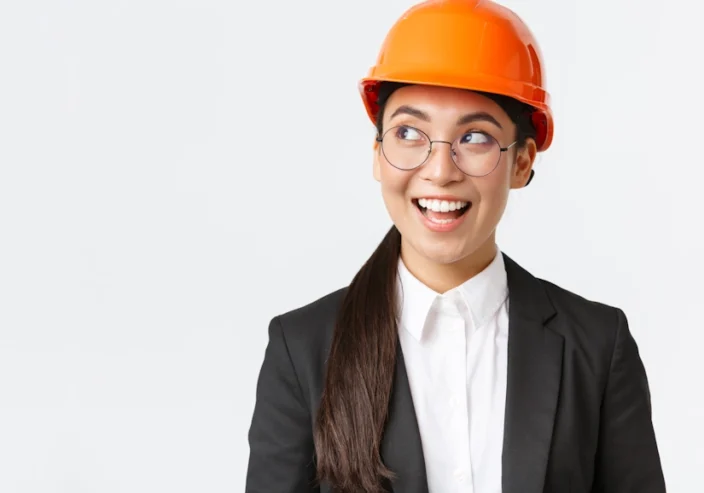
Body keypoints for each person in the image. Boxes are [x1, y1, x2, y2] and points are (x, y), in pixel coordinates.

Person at [244, 1, 666, 492]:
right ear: (378, 153)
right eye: (408, 133)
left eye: (475, 137)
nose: (440, 170)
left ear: (522, 162)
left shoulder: (595, 346)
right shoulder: (302, 350)